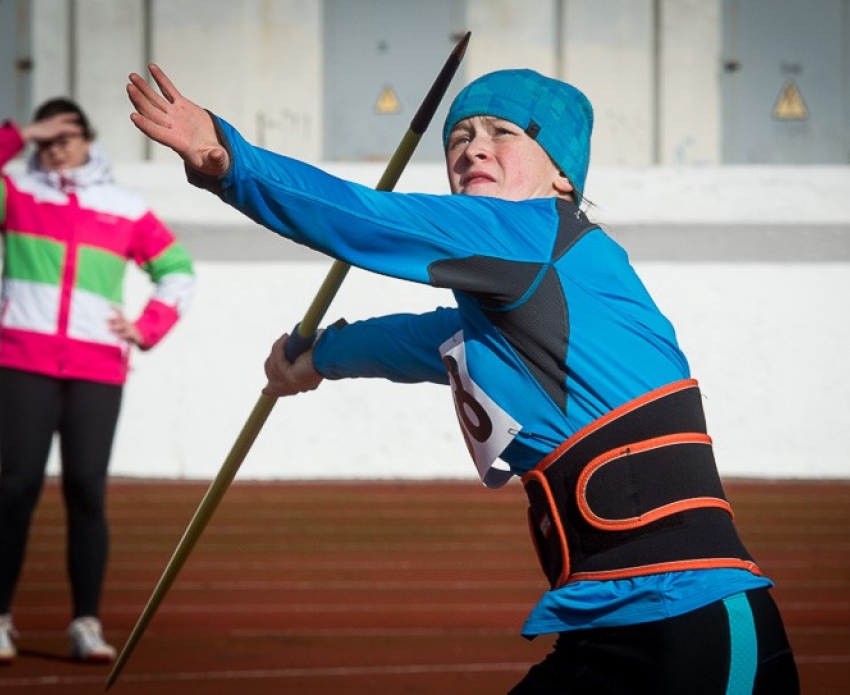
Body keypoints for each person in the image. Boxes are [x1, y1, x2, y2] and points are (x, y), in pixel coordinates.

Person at [126, 63, 799, 693]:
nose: (473, 148)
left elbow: (364, 217)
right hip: (608, 627)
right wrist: (318, 357)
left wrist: (230, 161)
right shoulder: (508, 306)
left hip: (696, 625)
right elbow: (419, 341)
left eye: (503, 133)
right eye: (459, 136)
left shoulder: (532, 233)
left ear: (562, 175)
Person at [0, 98, 197, 664]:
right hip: (24, 364)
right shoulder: (17, 197)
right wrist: (23, 132)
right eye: (48, 139)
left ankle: (85, 623)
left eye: (68, 136)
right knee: (17, 490)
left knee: (87, 493)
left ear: (89, 139)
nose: (57, 148)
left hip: (95, 368)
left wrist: (146, 325)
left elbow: (178, 272)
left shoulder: (125, 208)